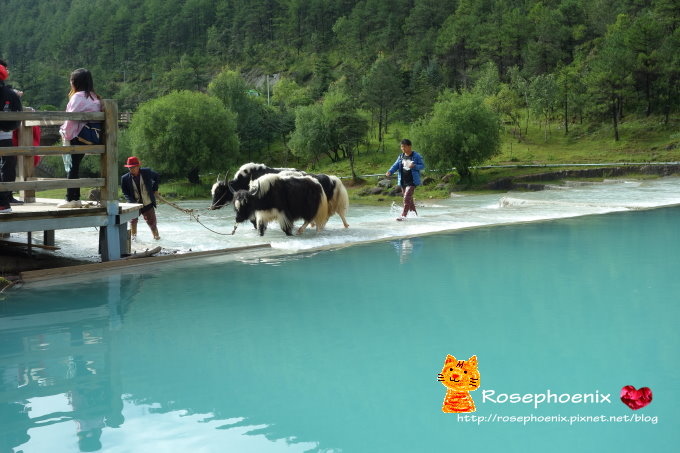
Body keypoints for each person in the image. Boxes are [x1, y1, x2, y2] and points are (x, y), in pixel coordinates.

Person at [58, 68, 102, 208]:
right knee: (75, 166)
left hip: (77, 136)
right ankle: (75, 198)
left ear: (76, 82)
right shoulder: (94, 97)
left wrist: (64, 133)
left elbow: (71, 119)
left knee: (72, 166)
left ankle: (71, 199)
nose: (70, 83)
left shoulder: (78, 97)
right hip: (90, 137)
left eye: (72, 80)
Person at [0, 58, 22, 214]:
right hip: (6, 135)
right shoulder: (11, 94)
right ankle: (5, 201)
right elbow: (17, 118)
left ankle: (4, 202)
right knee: (7, 167)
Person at [120, 156, 161, 240]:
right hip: (133, 204)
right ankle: (134, 240)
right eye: (129, 168)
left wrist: (155, 189)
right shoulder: (124, 178)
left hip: (147, 202)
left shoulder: (147, 172)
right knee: (133, 222)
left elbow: (156, 176)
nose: (131, 169)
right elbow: (125, 192)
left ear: (138, 166)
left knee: (152, 224)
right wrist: (132, 202)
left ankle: (156, 238)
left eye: (133, 167)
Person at [385, 138, 425, 221]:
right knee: (409, 199)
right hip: (403, 180)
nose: (403, 148)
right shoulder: (401, 156)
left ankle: (403, 216)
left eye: (404, 146)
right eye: (401, 147)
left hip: (412, 181)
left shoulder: (416, 156)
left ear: (409, 146)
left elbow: (422, 166)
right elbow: (395, 165)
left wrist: (414, 166)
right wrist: (390, 171)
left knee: (406, 197)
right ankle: (415, 215)